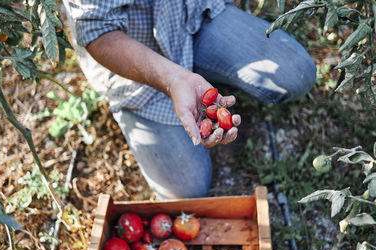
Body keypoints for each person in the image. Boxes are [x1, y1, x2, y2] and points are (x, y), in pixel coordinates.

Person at [62, 0, 316, 199]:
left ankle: (201, 72)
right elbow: (99, 33)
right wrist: (172, 79)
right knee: (187, 191)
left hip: (196, 14)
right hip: (137, 59)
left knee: (296, 72)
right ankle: (182, 82)